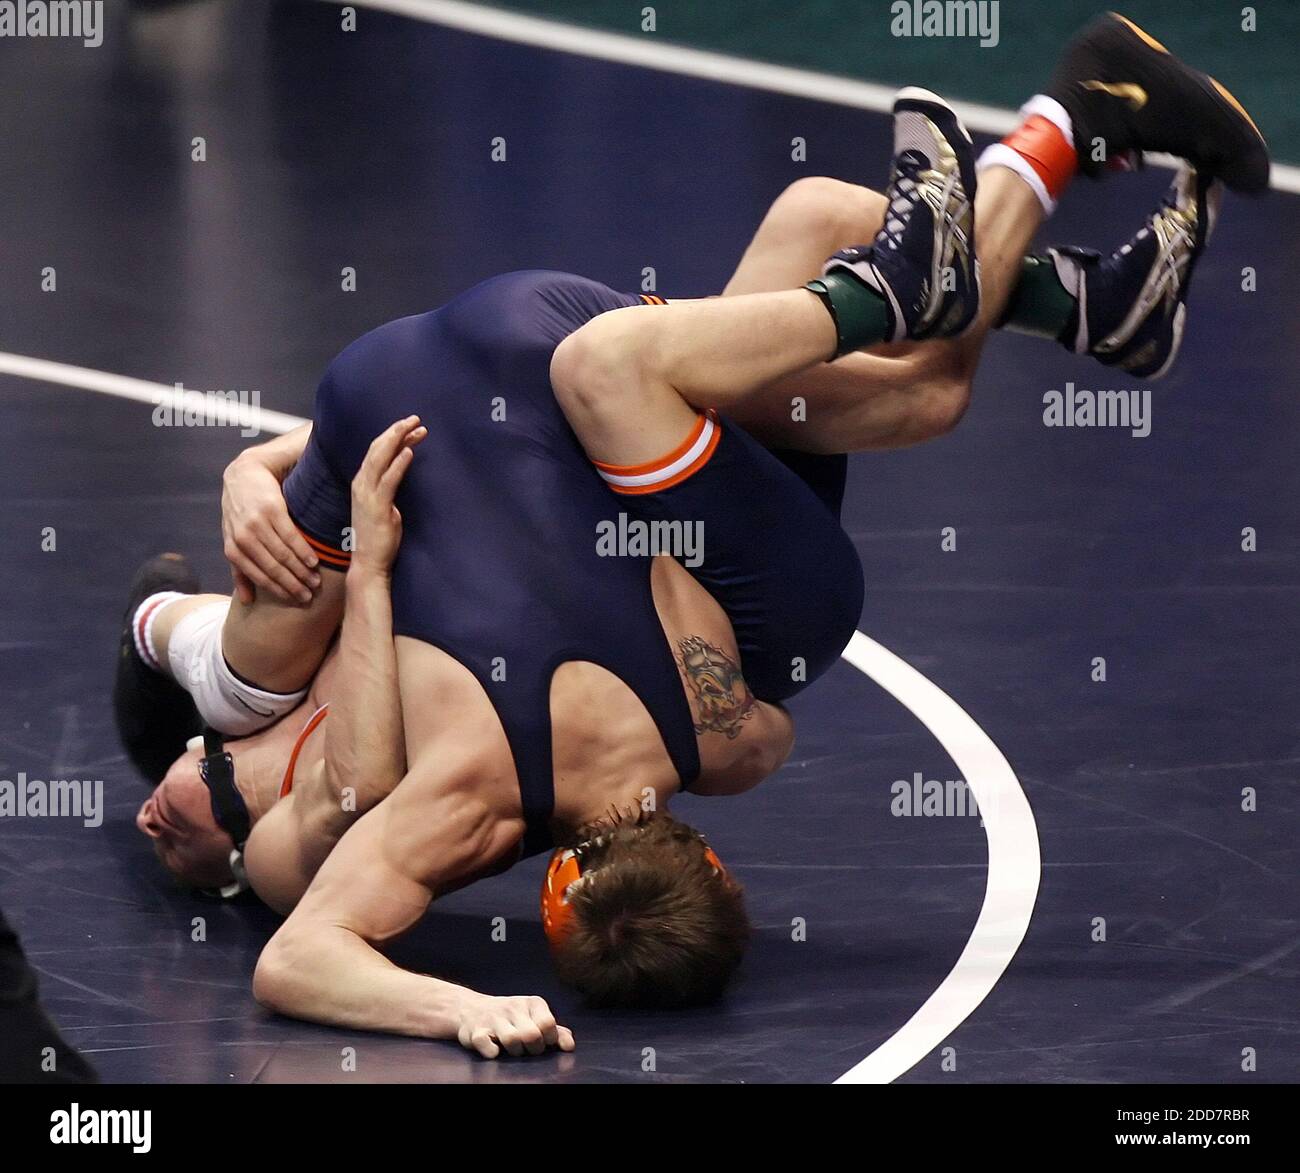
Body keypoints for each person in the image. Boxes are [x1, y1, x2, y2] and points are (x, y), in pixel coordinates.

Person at [115, 16, 1263, 1057]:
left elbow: (322, 873)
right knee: (646, 368)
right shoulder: (469, 792)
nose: (184, 804)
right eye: (213, 806)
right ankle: (945, 260)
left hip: (523, 423)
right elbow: (323, 882)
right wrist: (467, 1006)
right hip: (564, 406)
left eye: (198, 785)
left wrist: (262, 483)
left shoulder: (470, 763)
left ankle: (1066, 269)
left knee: (844, 273)